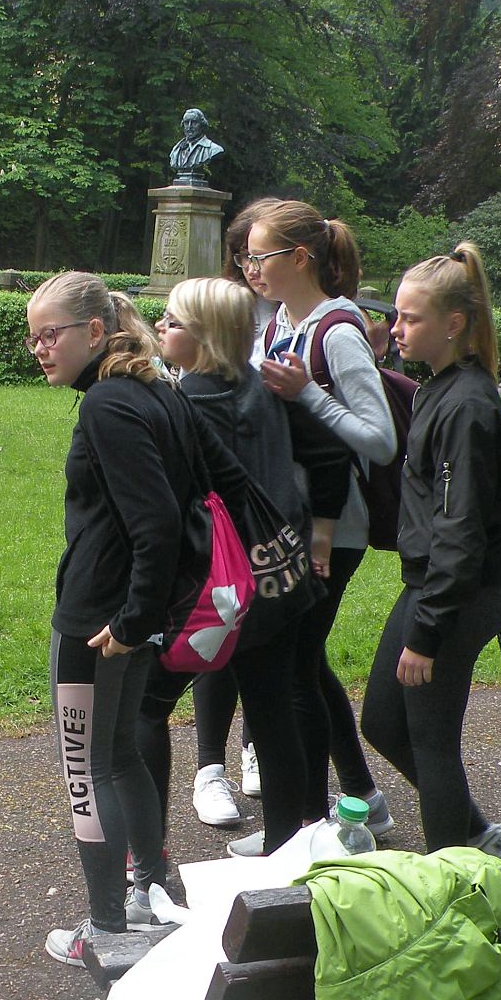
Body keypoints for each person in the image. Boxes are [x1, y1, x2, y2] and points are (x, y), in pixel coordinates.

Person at [33, 270, 239, 966]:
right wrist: (143, 616)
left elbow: (156, 522)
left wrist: (130, 621)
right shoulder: (157, 388)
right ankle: (150, 892)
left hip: (98, 618)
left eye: (50, 334)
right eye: (33, 337)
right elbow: (211, 484)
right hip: (129, 612)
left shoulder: (108, 404)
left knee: (88, 769)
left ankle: (107, 929)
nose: (40, 348)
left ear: (95, 331)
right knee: (119, 754)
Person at [135, 277, 327, 863]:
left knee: (147, 703)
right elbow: (322, 453)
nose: (160, 326)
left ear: (206, 335)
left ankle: (145, 854)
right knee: (272, 707)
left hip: (219, 577)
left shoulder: (185, 402)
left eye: (172, 321)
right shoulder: (263, 386)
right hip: (278, 571)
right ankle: (285, 839)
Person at [234, 198, 399, 856]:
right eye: (247, 257)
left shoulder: (336, 331)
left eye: (260, 256)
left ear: (300, 258)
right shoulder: (278, 322)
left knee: (295, 669)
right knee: (304, 664)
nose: (250, 267)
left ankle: (307, 828)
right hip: (290, 521)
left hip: (335, 528)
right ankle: (357, 803)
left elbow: (379, 439)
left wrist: (307, 393)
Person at [359, 242, 501, 858]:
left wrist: (427, 633)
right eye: (396, 316)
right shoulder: (439, 388)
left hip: (457, 592)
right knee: (382, 720)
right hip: (432, 583)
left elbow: (461, 528)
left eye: (410, 318)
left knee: (431, 739)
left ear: (453, 324)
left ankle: (454, 880)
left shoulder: (468, 406)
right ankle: (474, 837)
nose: (395, 329)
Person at [168, 108, 225, 184]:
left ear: (202, 125)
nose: (189, 126)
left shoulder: (213, 149)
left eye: (194, 122)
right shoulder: (176, 150)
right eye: (186, 122)